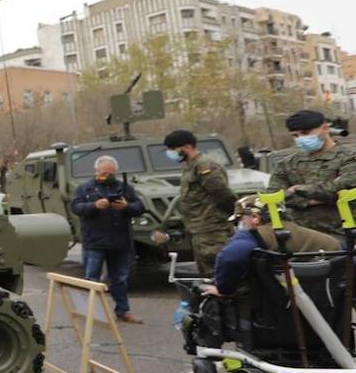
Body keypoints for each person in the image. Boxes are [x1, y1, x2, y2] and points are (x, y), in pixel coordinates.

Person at [207, 195, 339, 298]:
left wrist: (224, 289)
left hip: (278, 313)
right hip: (330, 312)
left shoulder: (255, 235)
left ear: (255, 218)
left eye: (239, 220)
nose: (238, 226)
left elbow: (230, 259)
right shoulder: (328, 241)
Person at [70, 155, 146, 323]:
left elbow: (140, 207)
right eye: (103, 173)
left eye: (111, 173)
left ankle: (123, 311)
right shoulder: (85, 189)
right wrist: (94, 206)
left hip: (119, 242)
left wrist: (126, 206)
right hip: (94, 242)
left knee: (120, 279)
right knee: (92, 279)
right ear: (96, 171)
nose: (107, 176)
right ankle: (90, 312)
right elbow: (76, 207)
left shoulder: (124, 188)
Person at [266, 109, 356, 236]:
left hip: (343, 233)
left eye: (305, 133)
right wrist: (320, 198)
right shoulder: (287, 163)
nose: (301, 139)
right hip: (300, 234)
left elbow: (345, 188)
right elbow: (274, 198)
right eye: (295, 135)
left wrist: (297, 190)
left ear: (325, 128)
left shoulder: (350, 157)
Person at [163, 129, 235, 274]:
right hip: (199, 230)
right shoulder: (190, 167)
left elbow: (222, 194)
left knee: (218, 272)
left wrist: (228, 217)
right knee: (207, 274)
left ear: (187, 147)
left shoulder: (204, 166)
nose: (170, 153)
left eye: (173, 149)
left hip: (212, 231)